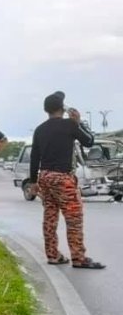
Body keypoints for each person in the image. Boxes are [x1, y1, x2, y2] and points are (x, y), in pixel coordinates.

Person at [29, 91, 105, 269]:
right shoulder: (70, 125)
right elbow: (89, 141)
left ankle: (52, 255)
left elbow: (34, 157)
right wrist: (79, 123)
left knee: (50, 216)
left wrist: (33, 182)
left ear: (46, 110)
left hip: (45, 177)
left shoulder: (40, 129)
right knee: (74, 218)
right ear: (62, 108)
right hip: (63, 178)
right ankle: (78, 258)